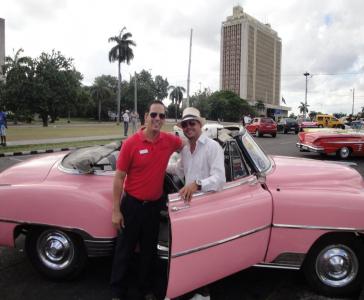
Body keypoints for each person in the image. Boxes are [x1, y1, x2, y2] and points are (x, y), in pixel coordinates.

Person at [110, 100, 183, 300]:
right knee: (124, 250)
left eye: (161, 116)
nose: (157, 119)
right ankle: (117, 292)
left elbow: (188, 143)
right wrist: (116, 211)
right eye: (153, 115)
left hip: (153, 207)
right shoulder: (131, 143)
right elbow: (119, 178)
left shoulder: (168, 141)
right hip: (132, 205)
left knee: (148, 252)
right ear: (145, 117)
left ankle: (145, 289)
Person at [168, 107, 225, 202]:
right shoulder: (185, 150)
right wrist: (159, 164)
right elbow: (178, 169)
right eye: (184, 125)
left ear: (200, 125)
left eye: (192, 123)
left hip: (207, 204)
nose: (188, 127)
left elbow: (219, 179)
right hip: (188, 203)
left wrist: (198, 184)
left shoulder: (213, 146)